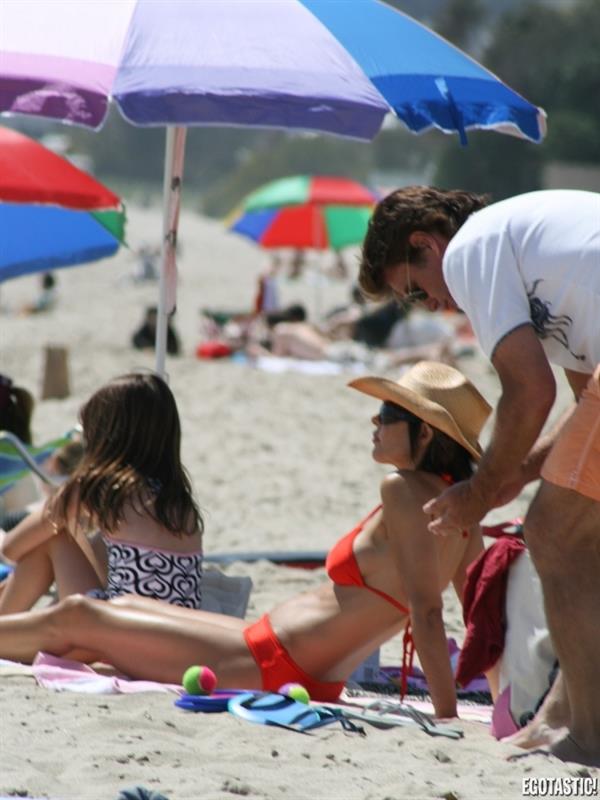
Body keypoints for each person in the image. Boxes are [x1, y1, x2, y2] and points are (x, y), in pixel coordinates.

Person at [0, 362, 493, 719]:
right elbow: (480, 614)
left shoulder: (403, 491)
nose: (375, 422)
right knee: (113, 606)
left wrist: (445, 714)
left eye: (388, 413)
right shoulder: (459, 509)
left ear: (425, 434)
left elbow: (430, 613)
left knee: (80, 616)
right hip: (282, 655)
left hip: (273, 660)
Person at [359, 186, 600, 766]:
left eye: (416, 290)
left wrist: (481, 491)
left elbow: (529, 392)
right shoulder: (536, 258)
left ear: (426, 242)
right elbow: (581, 411)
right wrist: (516, 471)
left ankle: (589, 743)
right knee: (577, 535)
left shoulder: (473, 247)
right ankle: (564, 715)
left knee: (552, 533)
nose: (434, 307)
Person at [0, 372, 203, 615]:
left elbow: (11, 549)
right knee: (78, 537)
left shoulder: (96, 487)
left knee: (55, 537)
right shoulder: (177, 497)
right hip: (169, 634)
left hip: (114, 632)